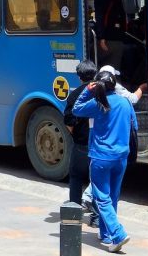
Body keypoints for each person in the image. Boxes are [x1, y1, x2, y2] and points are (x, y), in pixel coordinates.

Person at [73, 70, 137, 253]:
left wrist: (87, 90)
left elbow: (76, 108)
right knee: (113, 196)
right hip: (121, 157)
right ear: (115, 85)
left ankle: (118, 233)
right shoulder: (125, 102)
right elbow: (135, 125)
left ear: (98, 86)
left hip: (101, 157)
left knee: (101, 197)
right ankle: (106, 233)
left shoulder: (98, 103)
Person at [63, 60, 99, 226]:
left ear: (79, 77)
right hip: (100, 146)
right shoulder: (103, 92)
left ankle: (74, 214)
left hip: (81, 145)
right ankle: (96, 218)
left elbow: (69, 122)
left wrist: (78, 136)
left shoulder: (74, 95)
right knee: (98, 182)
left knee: (76, 178)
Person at [94, 0, 126, 69]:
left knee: (88, 54)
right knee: (115, 68)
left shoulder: (99, 0)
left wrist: (101, 38)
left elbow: (99, 19)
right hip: (119, 39)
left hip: (106, 41)